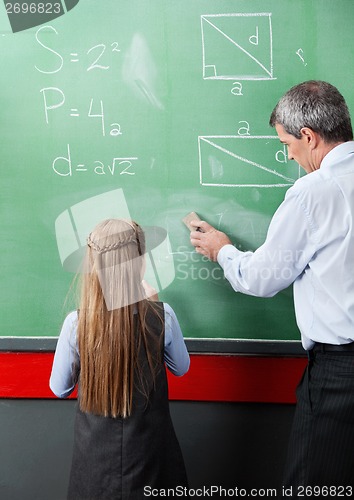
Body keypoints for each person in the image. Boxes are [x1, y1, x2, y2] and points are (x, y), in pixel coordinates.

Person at [190, 81, 354, 492]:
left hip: (341, 376)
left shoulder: (313, 193)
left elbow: (261, 277)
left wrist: (222, 249)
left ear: (309, 137)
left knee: (314, 484)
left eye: (287, 144)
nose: (288, 155)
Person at [50, 219, 190, 499]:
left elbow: (60, 388)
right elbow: (181, 367)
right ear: (140, 265)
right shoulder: (163, 315)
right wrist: (153, 306)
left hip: (95, 469)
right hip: (153, 463)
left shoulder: (77, 324)